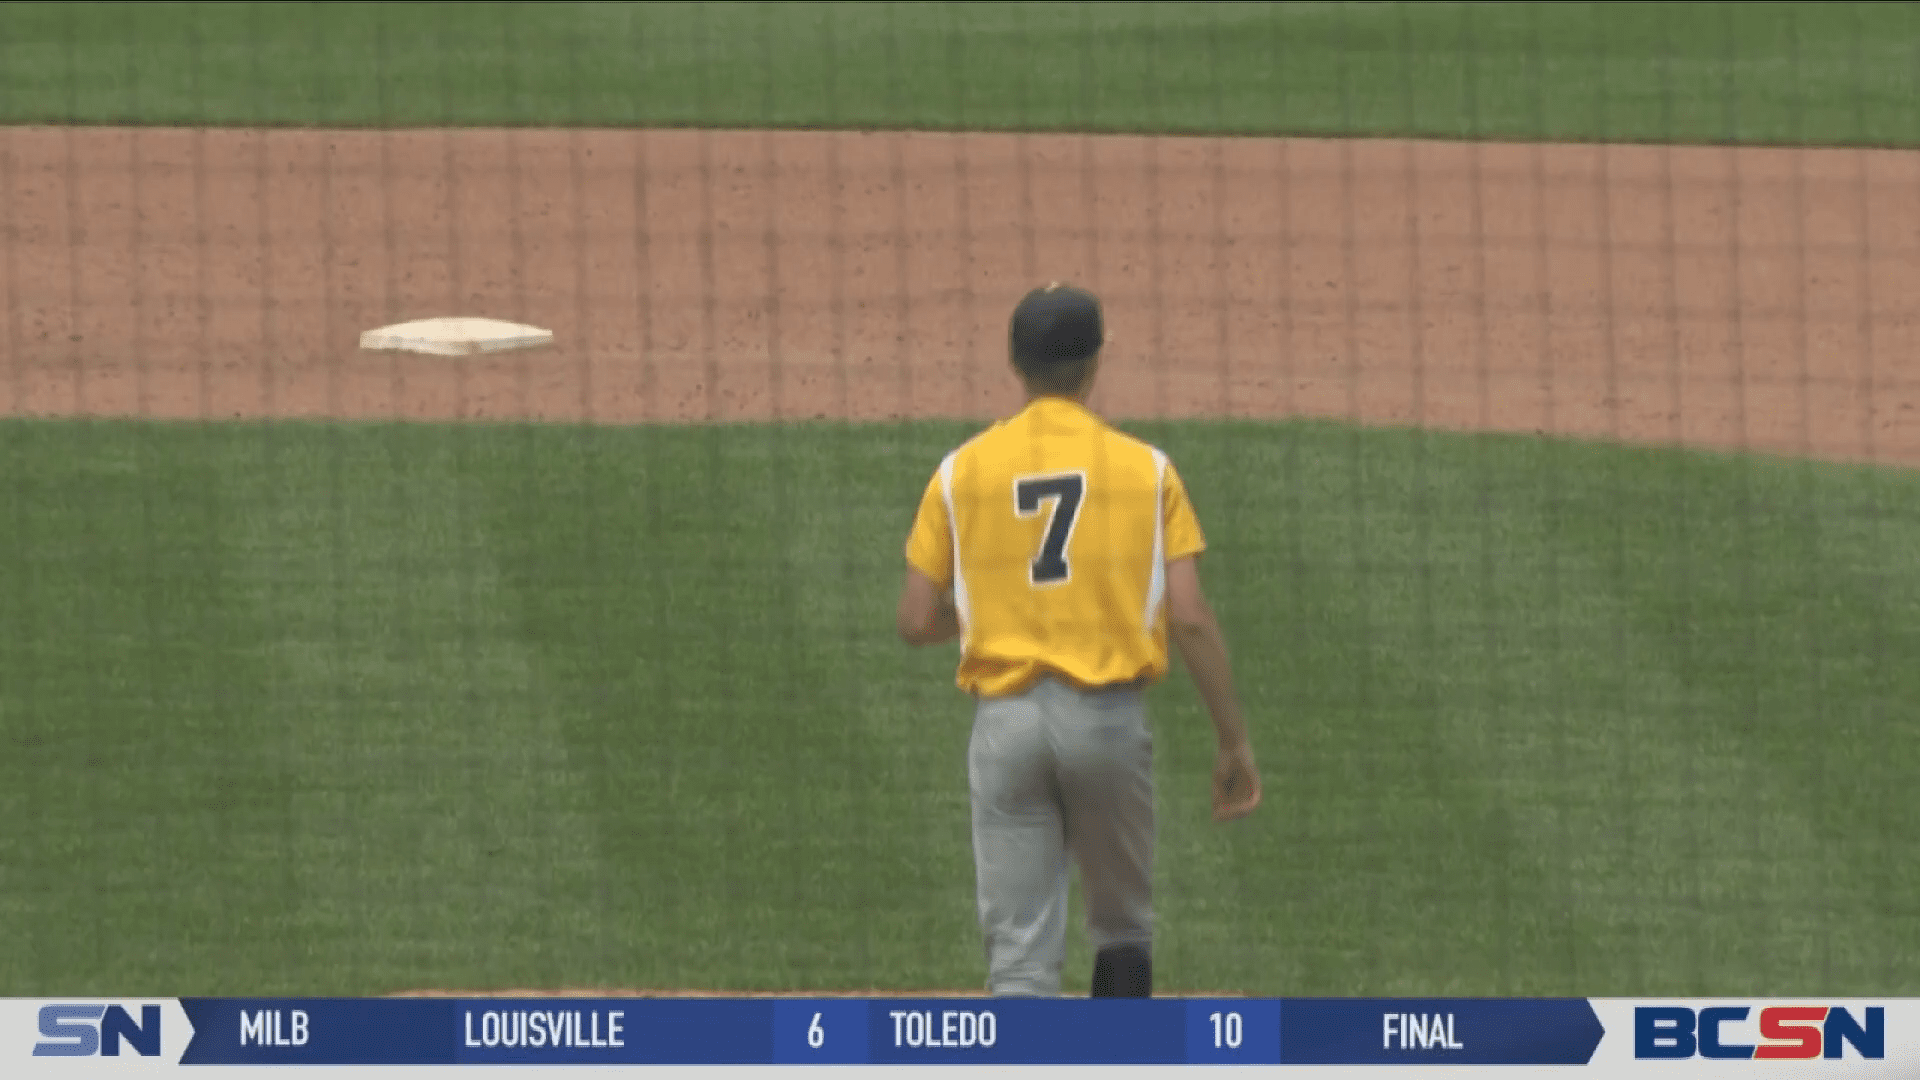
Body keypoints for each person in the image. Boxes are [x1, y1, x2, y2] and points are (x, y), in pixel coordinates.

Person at [896, 282, 1261, 999]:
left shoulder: (960, 470)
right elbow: (1188, 615)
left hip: (1005, 731)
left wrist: (983, 617)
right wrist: (1233, 742)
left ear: (1014, 362)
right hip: (1108, 726)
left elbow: (914, 619)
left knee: (1020, 962)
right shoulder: (1146, 471)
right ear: (1094, 364)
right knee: (1122, 928)